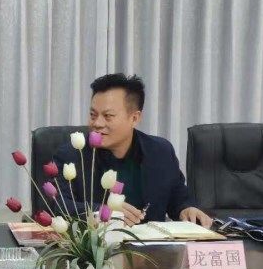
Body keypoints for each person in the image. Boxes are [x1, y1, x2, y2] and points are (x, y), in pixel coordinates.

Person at [53, 73, 212, 227]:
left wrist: (187, 209)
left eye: (108, 116)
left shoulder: (160, 151)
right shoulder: (72, 155)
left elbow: (178, 196)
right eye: (93, 115)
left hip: (152, 243)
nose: (97, 123)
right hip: (100, 243)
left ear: (134, 118)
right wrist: (101, 212)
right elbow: (57, 206)